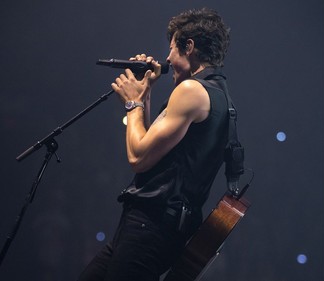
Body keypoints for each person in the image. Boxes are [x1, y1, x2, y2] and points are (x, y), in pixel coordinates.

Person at [78, 7, 231, 281]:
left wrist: (132, 103)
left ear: (190, 46)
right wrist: (145, 93)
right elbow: (153, 147)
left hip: (150, 227)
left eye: (172, 48)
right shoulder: (220, 97)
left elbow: (138, 157)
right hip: (156, 227)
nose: (168, 59)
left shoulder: (191, 91)